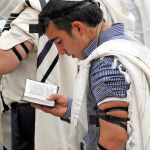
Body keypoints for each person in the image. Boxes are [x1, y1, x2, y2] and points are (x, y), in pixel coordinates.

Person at [33, 0, 150, 150]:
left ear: (77, 28)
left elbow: (114, 140)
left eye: (59, 41)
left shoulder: (106, 65)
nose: (61, 51)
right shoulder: (126, 42)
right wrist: (71, 107)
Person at [0, 0, 78, 150]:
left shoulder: (34, 13)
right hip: (60, 101)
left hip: (35, 108)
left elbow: (5, 59)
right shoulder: (67, 7)